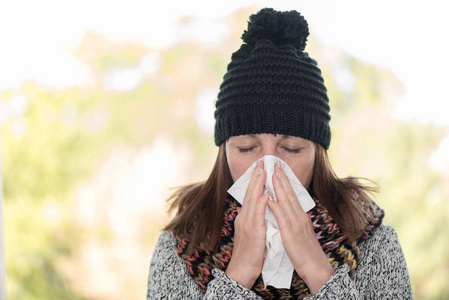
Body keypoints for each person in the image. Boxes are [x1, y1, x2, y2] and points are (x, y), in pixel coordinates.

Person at [147, 8, 413, 299]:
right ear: (224, 151)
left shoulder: (374, 244)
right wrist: (237, 274)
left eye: (291, 148)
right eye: (248, 148)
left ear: (318, 153)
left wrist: (318, 270)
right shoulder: (181, 248)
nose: (269, 167)